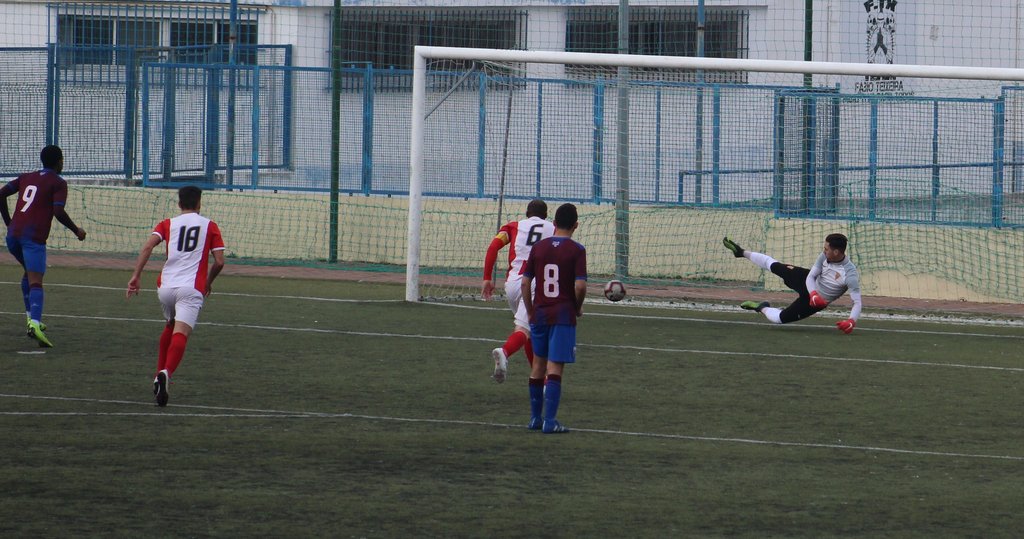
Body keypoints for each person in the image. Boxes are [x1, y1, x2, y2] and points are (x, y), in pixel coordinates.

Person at [126, 186, 226, 407]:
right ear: (199, 204)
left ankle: (157, 376)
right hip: (190, 288)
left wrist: (136, 275)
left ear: (179, 204)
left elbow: (147, 247)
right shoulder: (209, 225)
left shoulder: (167, 224)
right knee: (181, 333)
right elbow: (219, 262)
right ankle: (166, 373)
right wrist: (208, 281)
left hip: (166, 287)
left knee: (170, 325)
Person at [0, 145, 87, 347]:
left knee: (28, 274)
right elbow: (58, 212)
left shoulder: (26, 177)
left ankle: (31, 318)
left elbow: (1, 194)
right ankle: (35, 324)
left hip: (13, 237)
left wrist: (9, 223)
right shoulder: (58, 182)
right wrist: (76, 230)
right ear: (59, 162)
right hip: (33, 238)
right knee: (36, 281)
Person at [521, 203, 587, 434]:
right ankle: (550, 421)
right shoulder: (577, 250)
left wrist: (530, 310)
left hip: (540, 313)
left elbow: (525, 283)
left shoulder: (538, 248)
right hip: (562, 315)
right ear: (576, 225)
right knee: (555, 366)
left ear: (554, 223)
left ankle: (534, 419)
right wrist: (577, 307)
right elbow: (580, 286)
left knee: (537, 365)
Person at [723, 234, 861, 333]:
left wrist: (851, 321)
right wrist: (813, 293)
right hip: (808, 282)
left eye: (826, 249)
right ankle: (741, 252)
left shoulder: (850, 274)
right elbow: (811, 276)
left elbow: (857, 302)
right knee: (775, 266)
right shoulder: (824, 256)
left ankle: (761, 307)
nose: (823, 251)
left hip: (815, 302)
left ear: (836, 252)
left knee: (779, 319)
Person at [482, 199, 555, 384]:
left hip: (513, 284)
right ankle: (504, 352)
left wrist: (487, 278)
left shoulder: (514, 227)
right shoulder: (552, 228)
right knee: (524, 330)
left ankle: (539, 379)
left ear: (527, 214)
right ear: (545, 215)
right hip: (535, 283)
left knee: (529, 331)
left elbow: (493, 247)